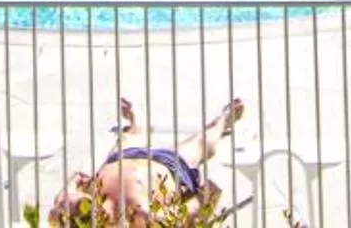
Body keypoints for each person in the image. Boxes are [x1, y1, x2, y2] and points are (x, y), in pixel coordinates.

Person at [57, 96, 245, 225]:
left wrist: (74, 186)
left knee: (132, 136)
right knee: (201, 143)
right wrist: (204, 198)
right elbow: (188, 213)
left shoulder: (80, 215)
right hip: (169, 166)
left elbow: (61, 201)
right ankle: (222, 121)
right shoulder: (147, 220)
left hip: (121, 158)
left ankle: (136, 121)